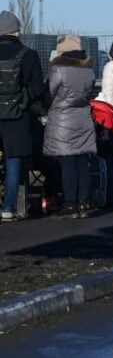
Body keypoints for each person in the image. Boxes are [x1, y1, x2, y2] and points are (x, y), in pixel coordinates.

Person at [45, 34, 98, 219]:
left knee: (67, 163)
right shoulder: (89, 70)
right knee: (82, 162)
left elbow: (49, 94)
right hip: (83, 118)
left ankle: (70, 205)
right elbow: (90, 94)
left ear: (63, 50)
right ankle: (84, 203)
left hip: (63, 120)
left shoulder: (58, 69)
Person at [0, 11, 46, 222]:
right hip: (17, 116)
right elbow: (37, 88)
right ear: (17, 30)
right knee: (14, 163)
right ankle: (9, 208)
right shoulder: (28, 54)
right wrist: (25, 100)